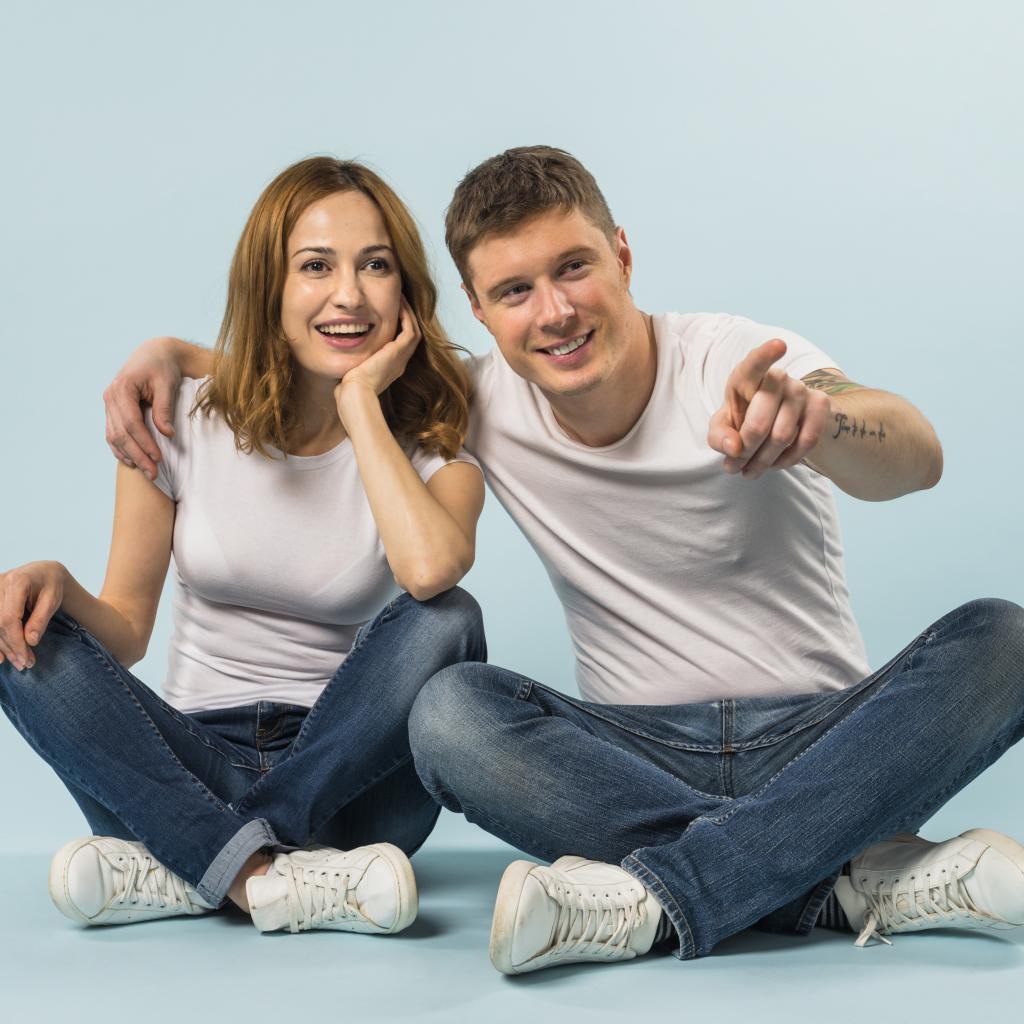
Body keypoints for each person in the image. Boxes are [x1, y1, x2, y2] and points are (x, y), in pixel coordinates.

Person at [102, 147, 1024, 973]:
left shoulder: (732, 359)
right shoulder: (477, 401)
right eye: (514, 291)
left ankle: (667, 893)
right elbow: (319, 357)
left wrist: (824, 422)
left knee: (1006, 638)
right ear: (478, 311)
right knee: (450, 713)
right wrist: (170, 355)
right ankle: (837, 877)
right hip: (628, 762)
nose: (554, 312)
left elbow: (914, 452)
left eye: (574, 267)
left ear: (622, 256)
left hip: (823, 744)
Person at [0, 156, 486, 936]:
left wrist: (361, 405)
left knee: (449, 617)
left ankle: (194, 863)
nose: (349, 295)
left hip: (347, 781)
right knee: (17, 634)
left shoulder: (431, 446)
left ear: (405, 292)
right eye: (316, 266)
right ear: (271, 286)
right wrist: (57, 587)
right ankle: (263, 877)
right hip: (185, 760)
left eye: (376, 266)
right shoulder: (178, 416)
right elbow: (125, 630)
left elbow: (430, 572)